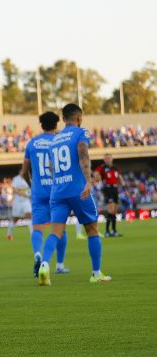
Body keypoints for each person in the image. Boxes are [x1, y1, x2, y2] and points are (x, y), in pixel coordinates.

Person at [37, 104, 111, 286]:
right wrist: (88, 180)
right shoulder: (80, 132)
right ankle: (96, 273)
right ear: (79, 118)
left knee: (55, 231)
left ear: (63, 119)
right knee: (92, 229)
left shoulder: (54, 140)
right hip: (78, 190)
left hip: (57, 191)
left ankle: (44, 265)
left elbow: (51, 168)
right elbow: (83, 153)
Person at [21, 112, 69, 278]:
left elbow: (24, 172)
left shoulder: (32, 143)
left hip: (38, 191)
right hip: (57, 191)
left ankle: (37, 254)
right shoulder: (59, 141)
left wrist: (32, 184)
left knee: (37, 228)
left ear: (41, 125)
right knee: (59, 229)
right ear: (56, 125)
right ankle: (60, 265)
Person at [94, 153, 124, 237]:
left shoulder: (115, 168)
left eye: (109, 158)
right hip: (107, 189)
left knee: (114, 211)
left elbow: (120, 178)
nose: (107, 160)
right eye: (106, 158)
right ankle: (107, 231)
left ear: (111, 159)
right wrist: (97, 176)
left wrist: (123, 186)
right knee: (110, 209)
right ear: (104, 160)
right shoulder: (102, 167)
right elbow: (96, 173)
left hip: (115, 189)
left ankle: (114, 231)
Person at [7, 169, 31, 241]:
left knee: (29, 215)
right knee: (15, 218)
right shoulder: (16, 179)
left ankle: (33, 234)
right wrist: (23, 194)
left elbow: (30, 188)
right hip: (18, 202)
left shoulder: (29, 179)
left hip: (26, 201)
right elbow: (14, 189)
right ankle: (9, 233)